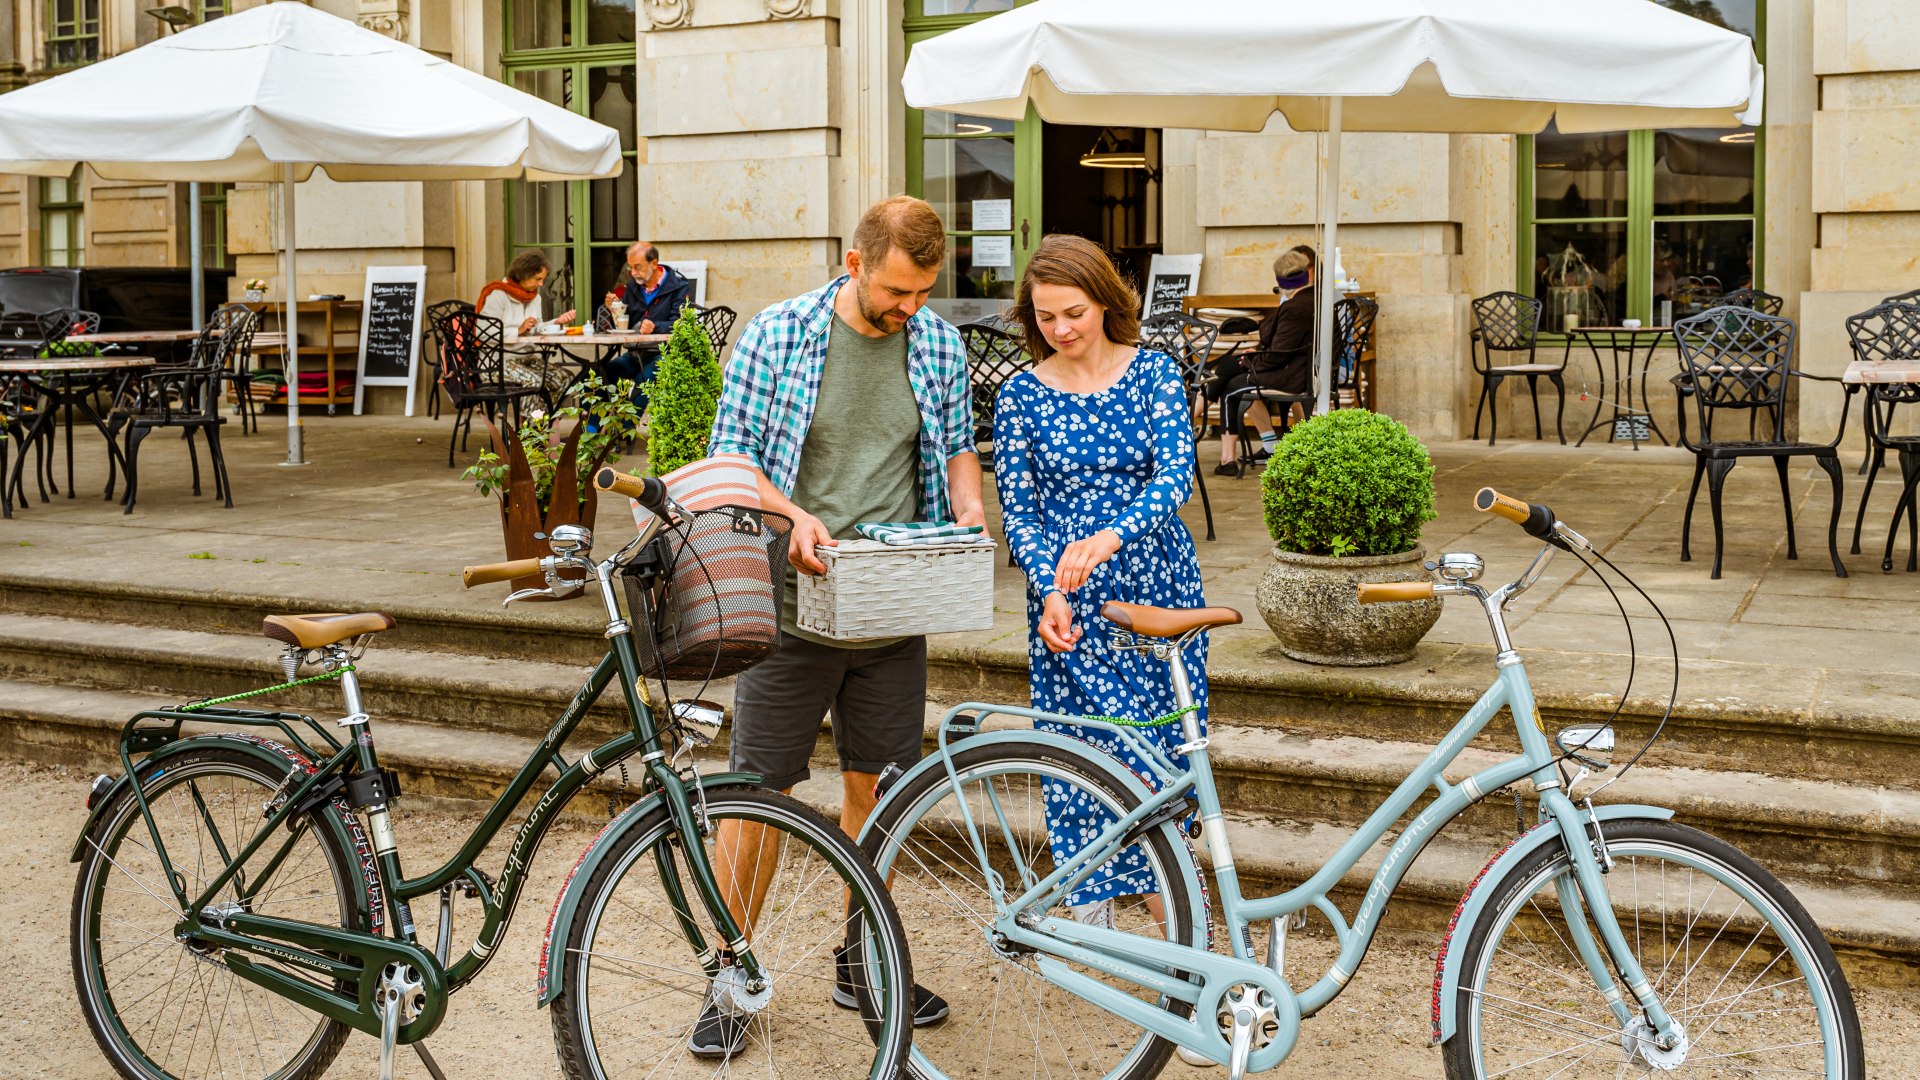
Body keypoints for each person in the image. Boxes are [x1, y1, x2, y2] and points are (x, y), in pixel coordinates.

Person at [693, 195, 983, 1058]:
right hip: (787, 615)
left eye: (924, 292)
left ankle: (862, 960)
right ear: (854, 263)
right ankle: (731, 973)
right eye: (898, 291)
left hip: (892, 612)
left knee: (878, 794)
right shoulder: (780, 334)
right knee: (757, 798)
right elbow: (731, 455)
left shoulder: (936, 343)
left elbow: (958, 445)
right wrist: (794, 519)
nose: (910, 309)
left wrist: (967, 503)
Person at [993, 233, 1210, 1050]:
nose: (1060, 328)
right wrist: (1051, 583)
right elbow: (1019, 504)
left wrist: (1112, 537)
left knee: (1163, 758)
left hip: (1154, 585)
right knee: (1085, 750)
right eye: (1044, 316)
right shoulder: (1020, 394)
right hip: (1068, 600)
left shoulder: (1152, 370)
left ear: (1104, 301)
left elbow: (1175, 477)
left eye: (1073, 313)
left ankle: (1183, 942)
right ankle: (1094, 918)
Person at [1204, 245, 1317, 472]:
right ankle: (1199, 420)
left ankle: (1223, 455)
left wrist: (1249, 362)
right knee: (1227, 368)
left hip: (1291, 376)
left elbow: (1277, 355)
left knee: (1228, 385)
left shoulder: (1295, 307)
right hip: (1300, 370)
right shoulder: (1313, 300)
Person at [601, 241, 695, 416]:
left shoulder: (679, 287)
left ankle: (625, 431)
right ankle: (591, 432)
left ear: (654, 263)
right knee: (602, 374)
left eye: (638, 267)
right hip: (636, 354)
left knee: (645, 378)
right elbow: (625, 325)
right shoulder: (632, 287)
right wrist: (614, 308)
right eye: (630, 268)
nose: (633, 273)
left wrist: (655, 326)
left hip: (666, 354)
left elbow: (682, 323)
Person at [476, 250, 575, 393]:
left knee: (565, 378)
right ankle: (533, 416)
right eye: (537, 279)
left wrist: (556, 322)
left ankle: (545, 415)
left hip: (526, 358)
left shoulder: (535, 297)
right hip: (496, 363)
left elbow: (536, 327)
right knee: (534, 382)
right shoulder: (498, 295)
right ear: (523, 274)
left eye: (543, 279)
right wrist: (518, 331)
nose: (541, 284)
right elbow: (482, 333)